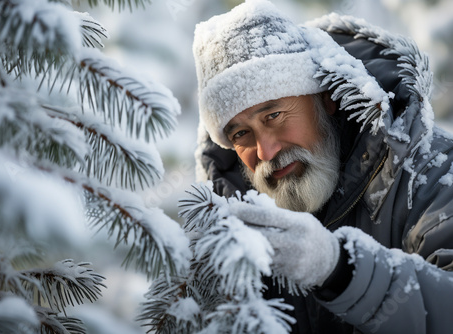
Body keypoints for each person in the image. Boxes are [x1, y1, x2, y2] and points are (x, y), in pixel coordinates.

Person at [192, 0, 453, 333]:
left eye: (274, 116)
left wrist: (340, 271)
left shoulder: (433, 174)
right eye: (242, 133)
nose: (267, 152)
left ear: (323, 96)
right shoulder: (232, 221)